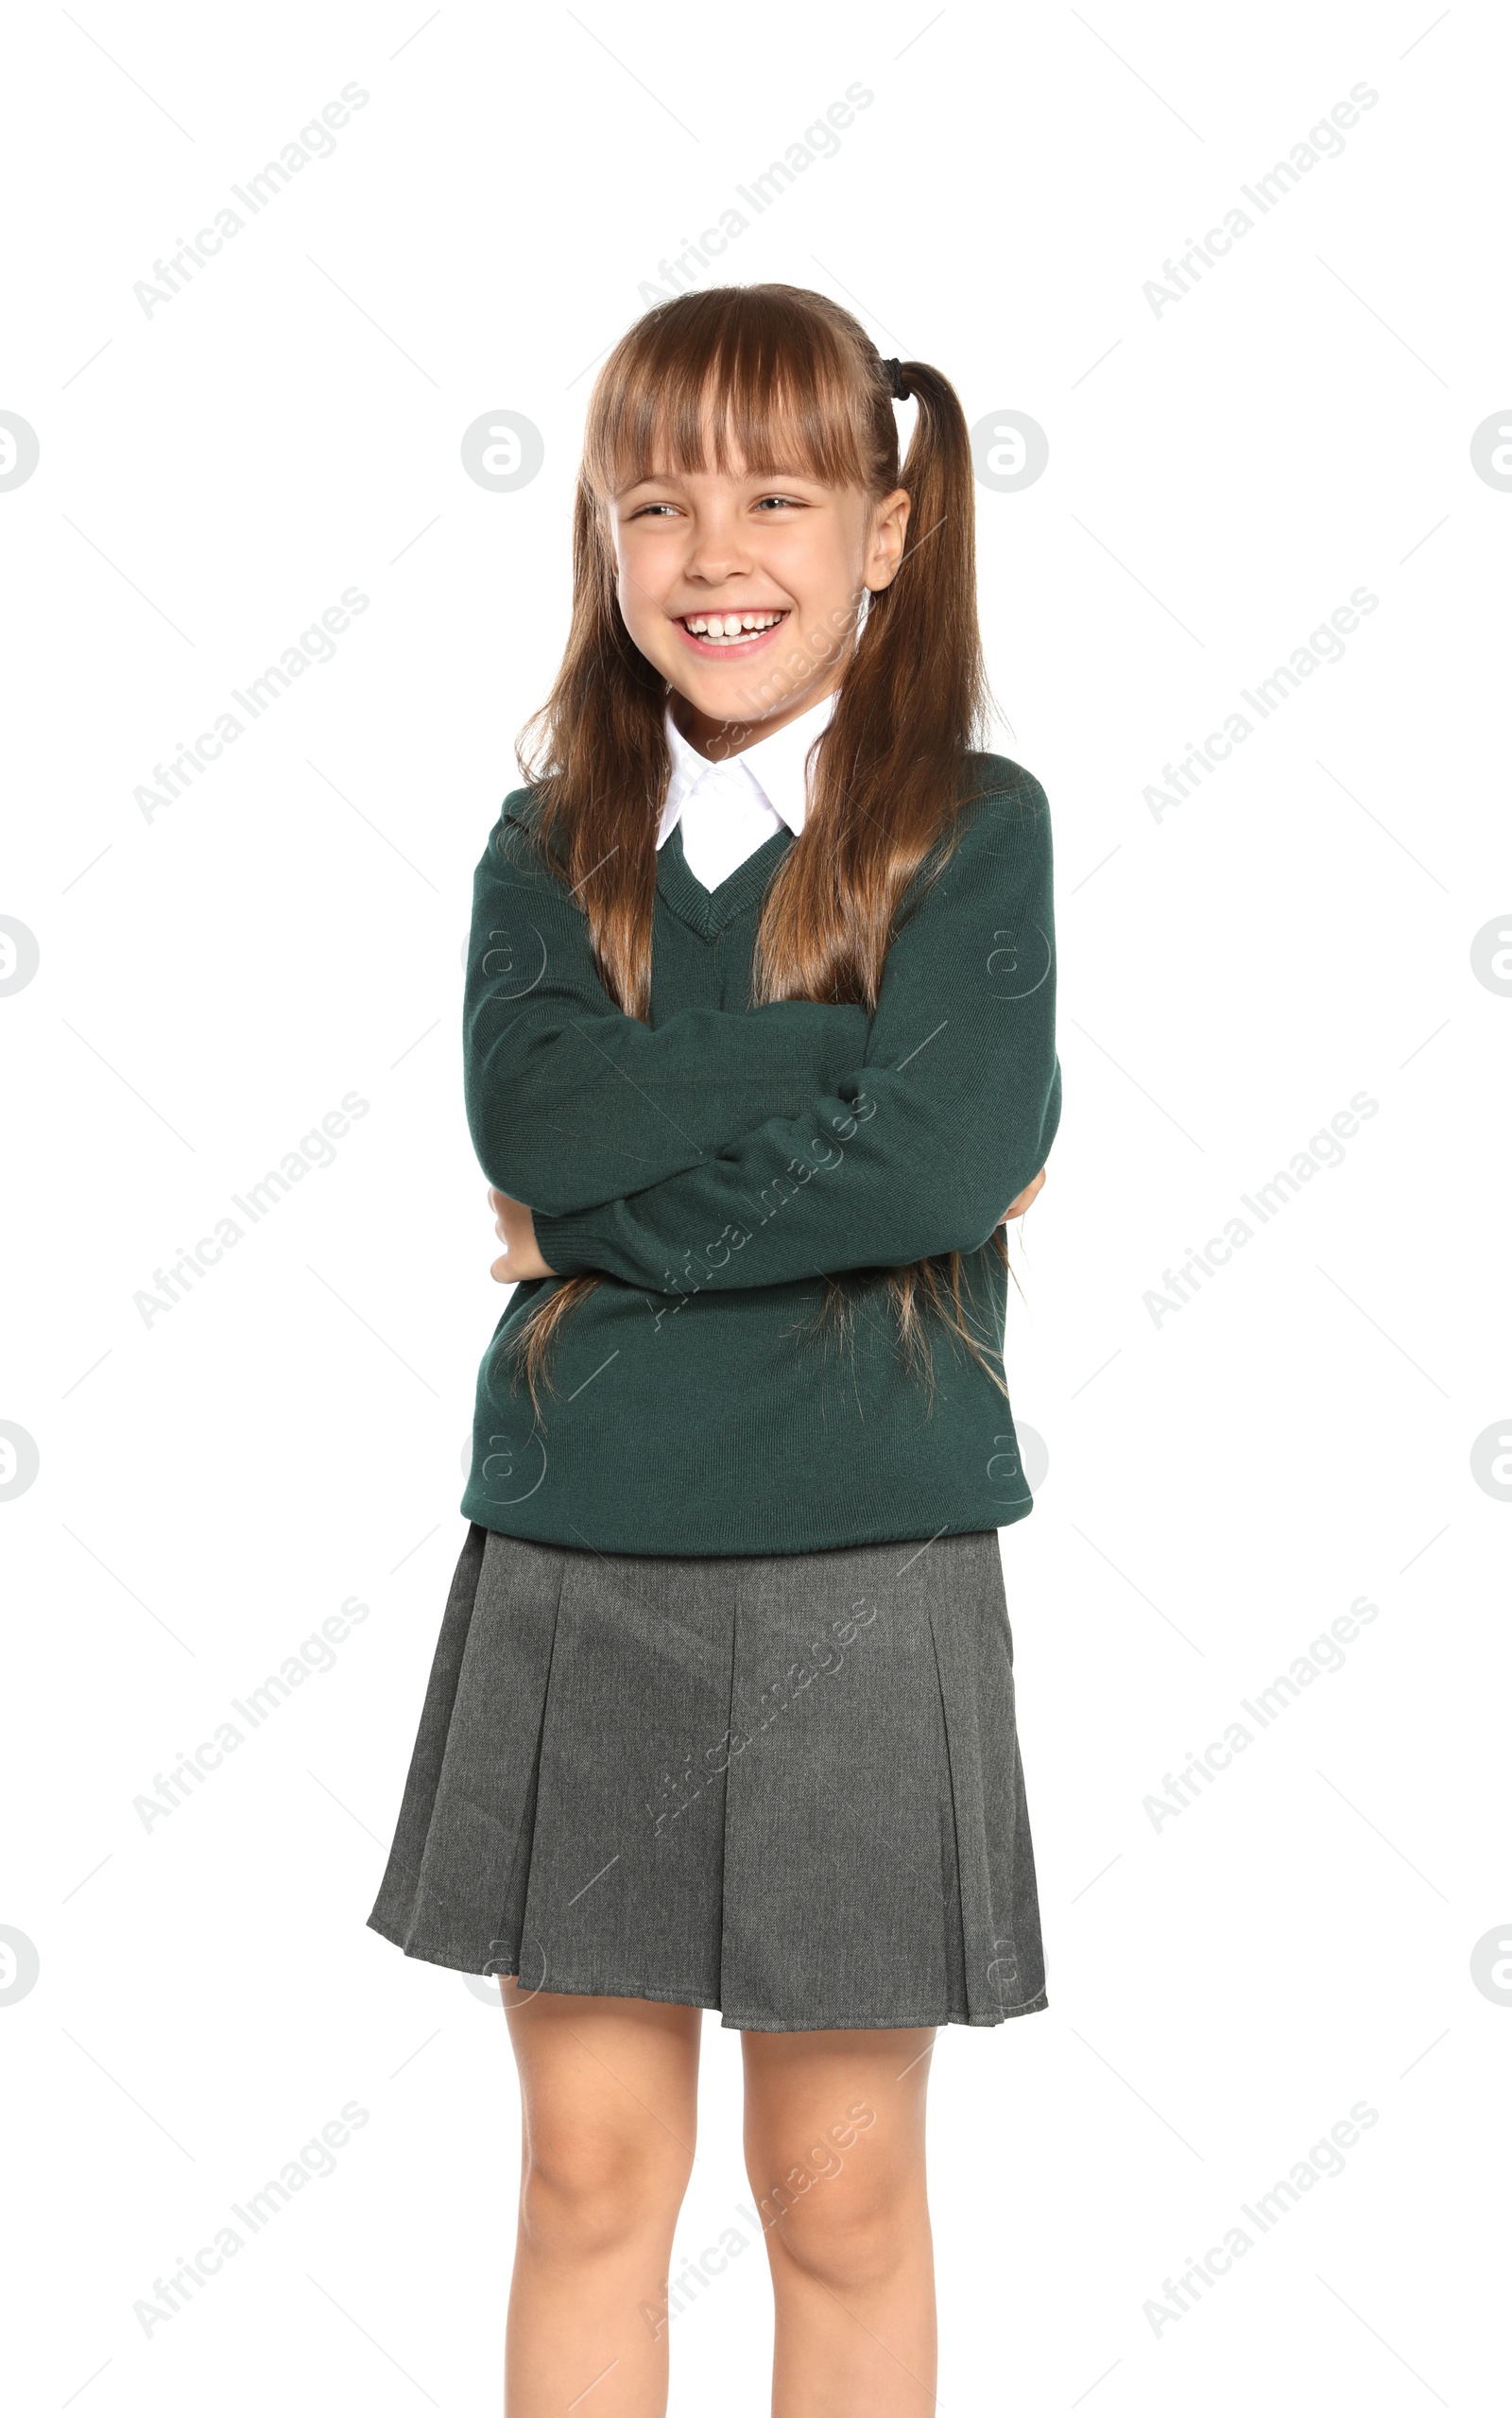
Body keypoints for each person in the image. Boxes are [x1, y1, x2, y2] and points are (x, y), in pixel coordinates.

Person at [368, 281, 1061, 2416]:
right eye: (653, 503)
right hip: (586, 1566)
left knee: (835, 2196)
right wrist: (825, 1087)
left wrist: (597, 1214)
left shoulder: (971, 821)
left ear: (882, 528)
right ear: (603, 536)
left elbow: (948, 1145)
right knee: (589, 2182)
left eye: (776, 495)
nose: (711, 554)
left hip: (868, 1576)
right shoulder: (547, 839)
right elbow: (538, 1119)